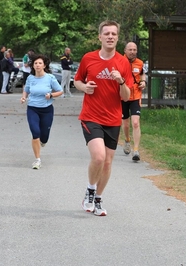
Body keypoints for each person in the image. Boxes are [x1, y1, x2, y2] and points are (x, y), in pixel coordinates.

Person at [74, 20, 132, 216]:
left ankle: (98, 199)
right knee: (98, 157)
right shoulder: (88, 58)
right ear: (100, 37)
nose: (110, 37)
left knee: (107, 162)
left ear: (117, 37)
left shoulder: (123, 63)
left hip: (113, 119)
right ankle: (90, 190)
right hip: (91, 116)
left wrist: (121, 81)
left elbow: (126, 96)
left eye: (113, 34)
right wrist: (85, 87)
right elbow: (77, 81)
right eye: (106, 33)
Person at [20, 54, 63, 169]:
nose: (37, 65)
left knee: (44, 137)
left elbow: (60, 91)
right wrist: (24, 97)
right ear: (33, 66)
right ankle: (37, 160)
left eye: (40, 63)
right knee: (35, 133)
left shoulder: (50, 78)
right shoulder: (30, 78)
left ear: (44, 65)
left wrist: (51, 95)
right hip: (32, 108)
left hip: (47, 110)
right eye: (35, 63)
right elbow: (26, 90)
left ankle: (43, 141)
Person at [121, 42, 146, 161]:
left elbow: (142, 75)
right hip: (123, 96)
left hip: (136, 96)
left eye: (134, 49)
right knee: (125, 124)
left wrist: (143, 82)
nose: (132, 52)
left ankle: (136, 150)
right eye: (130, 49)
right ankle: (127, 140)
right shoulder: (119, 61)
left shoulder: (140, 63)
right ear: (125, 50)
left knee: (135, 122)